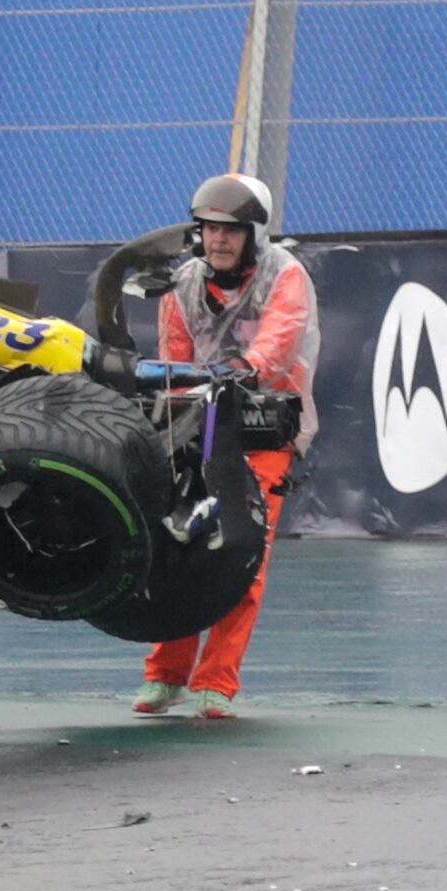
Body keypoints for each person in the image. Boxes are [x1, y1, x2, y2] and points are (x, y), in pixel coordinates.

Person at [133, 171, 317, 720]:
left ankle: (217, 682)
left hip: (267, 425)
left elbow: (276, 349)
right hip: (198, 423)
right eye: (210, 228)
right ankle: (166, 675)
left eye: (232, 230)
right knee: (178, 547)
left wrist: (231, 375)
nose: (219, 239)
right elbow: (173, 357)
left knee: (242, 551)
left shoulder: (287, 275)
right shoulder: (184, 282)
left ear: (255, 235)